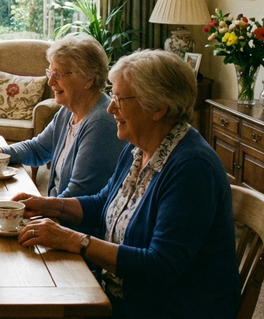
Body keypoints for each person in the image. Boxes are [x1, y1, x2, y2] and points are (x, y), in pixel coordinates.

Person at [13, 50, 239, 318]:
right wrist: (48, 204)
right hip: (119, 293)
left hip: (165, 308)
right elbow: (102, 203)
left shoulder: (192, 168)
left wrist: (75, 240)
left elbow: (159, 266)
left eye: (120, 98)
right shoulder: (139, 148)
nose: (110, 107)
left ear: (158, 107)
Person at [0, 33, 125, 200]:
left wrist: (40, 208)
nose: (50, 82)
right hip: (57, 211)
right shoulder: (68, 111)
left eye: (59, 74)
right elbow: (38, 149)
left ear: (89, 79)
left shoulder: (100, 123)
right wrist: (1, 152)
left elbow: (78, 195)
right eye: (50, 72)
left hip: (72, 222)